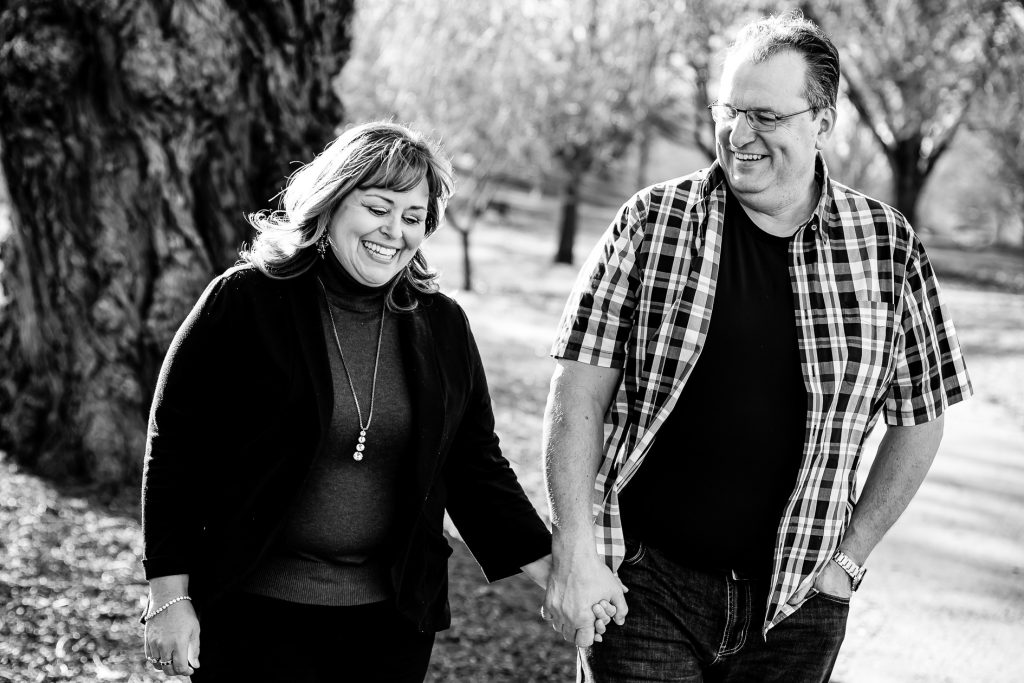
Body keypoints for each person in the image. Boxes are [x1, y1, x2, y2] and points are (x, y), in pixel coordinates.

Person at [541, 11, 972, 682]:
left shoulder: (887, 248)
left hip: (799, 607)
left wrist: (848, 560)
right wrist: (575, 549)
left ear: (823, 122)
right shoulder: (652, 223)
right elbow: (577, 396)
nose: (739, 135)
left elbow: (923, 413)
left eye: (765, 116)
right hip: (643, 591)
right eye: (730, 111)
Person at [140, 121, 610, 682]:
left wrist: (563, 572)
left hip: (389, 624)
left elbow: (474, 468)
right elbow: (175, 451)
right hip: (250, 614)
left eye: (413, 217)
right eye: (378, 207)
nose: (394, 231)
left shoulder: (441, 325)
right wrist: (169, 596)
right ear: (330, 204)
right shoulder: (245, 302)